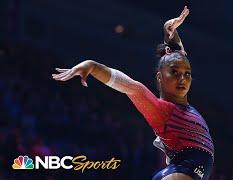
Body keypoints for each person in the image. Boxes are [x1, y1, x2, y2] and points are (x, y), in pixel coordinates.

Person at [52, 6, 214, 180]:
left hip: (189, 168)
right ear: (159, 77)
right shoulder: (162, 110)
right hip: (183, 169)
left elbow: (176, 53)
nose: (182, 78)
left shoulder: (181, 101)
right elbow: (130, 86)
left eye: (187, 74)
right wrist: (93, 66)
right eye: (175, 73)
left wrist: (169, 28)